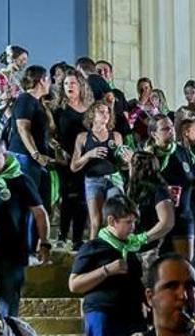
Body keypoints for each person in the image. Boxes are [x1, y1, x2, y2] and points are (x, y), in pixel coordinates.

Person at [0, 138, 50, 316]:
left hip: (12, 253)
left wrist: (44, 242)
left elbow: (40, 213)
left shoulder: (20, 181)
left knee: (8, 303)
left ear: (5, 156)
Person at [69, 196, 146, 336]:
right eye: (128, 222)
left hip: (132, 316)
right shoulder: (93, 247)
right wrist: (106, 270)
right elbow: (74, 284)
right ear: (112, 220)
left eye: (134, 222)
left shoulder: (130, 249)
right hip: (103, 313)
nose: (133, 228)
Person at [71, 100, 130, 239]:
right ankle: (93, 253)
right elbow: (74, 166)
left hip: (113, 178)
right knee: (96, 221)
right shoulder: (83, 137)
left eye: (108, 112)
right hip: (93, 180)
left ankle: (115, 249)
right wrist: (89, 154)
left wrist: (126, 160)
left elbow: (122, 163)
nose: (106, 114)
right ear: (92, 115)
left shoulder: (116, 136)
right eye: (101, 111)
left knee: (117, 216)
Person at [145, 114, 195, 259]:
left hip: (183, 215)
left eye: (172, 127)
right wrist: (162, 191)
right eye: (165, 129)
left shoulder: (182, 151)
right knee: (160, 265)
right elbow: (140, 186)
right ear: (154, 133)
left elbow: (191, 180)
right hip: (156, 218)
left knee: (186, 263)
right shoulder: (147, 155)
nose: (171, 131)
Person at [53, 68, 93, 249]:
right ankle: (62, 234)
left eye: (73, 83)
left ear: (81, 86)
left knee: (83, 198)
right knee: (68, 197)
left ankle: (77, 238)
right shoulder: (59, 108)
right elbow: (50, 134)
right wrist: (58, 150)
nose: (69, 86)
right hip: (66, 159)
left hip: (85, 158)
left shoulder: (89, 109)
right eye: (66, 83)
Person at [7, 65, 53, 215]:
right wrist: (36, 154)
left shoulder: (37, 102)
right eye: (48, 80)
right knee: (28, 202)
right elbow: (22, 129)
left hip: (36, 160)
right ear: (41, 80)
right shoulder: (25, 99)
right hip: (25, 157)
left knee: (41, 201)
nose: (50, 84)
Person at [124, 151, 175, 251]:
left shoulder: (159, 191)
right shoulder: (133, 188)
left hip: (151, 249)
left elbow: (167, 222)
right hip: (134, 247)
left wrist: (142, 238)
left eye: (131, 165)